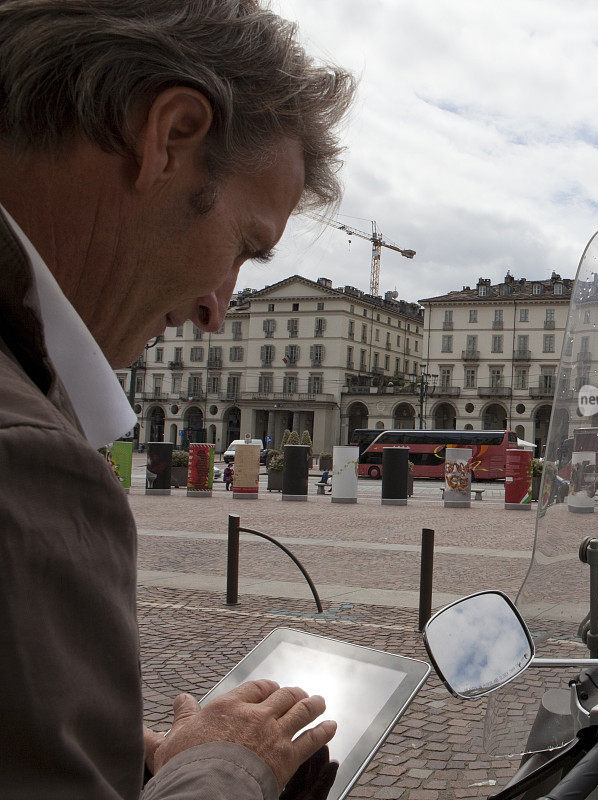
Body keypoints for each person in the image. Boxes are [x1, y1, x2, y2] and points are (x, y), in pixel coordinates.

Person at [0, 1, 355, 797]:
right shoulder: (23, 464)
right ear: (171, 135)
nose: (217, 308)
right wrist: (226, 765)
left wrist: (93, 743)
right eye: (244, 245)